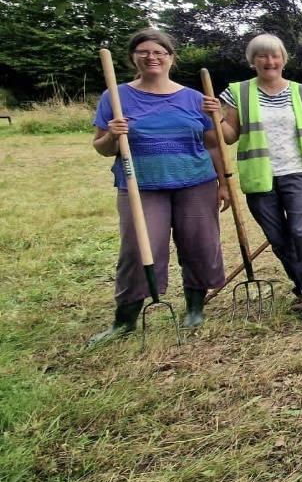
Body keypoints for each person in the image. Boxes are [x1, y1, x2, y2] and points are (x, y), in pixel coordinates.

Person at [89, 29, 228, 343]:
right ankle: (124, 319)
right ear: (133, 58)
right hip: (141, 186)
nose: (151, 57)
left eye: (159, 52)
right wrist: (112, 134)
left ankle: (195, 308)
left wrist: (224, 184)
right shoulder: (115, 96)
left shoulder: (194, 99)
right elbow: (101, 147)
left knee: (200, 244)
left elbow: (214, 144)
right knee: (139, 249)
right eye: (144, 52)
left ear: (170, 58)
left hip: (196, 181)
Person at [215, 34, 302, 328]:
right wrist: (214, 119)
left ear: (283, 59)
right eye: (262, 56)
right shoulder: (239, 93)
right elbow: (229, 137)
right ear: (253, 60)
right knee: (279, 240)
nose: (269, 61)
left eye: (275, 56)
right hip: (260, 176)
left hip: (297, 173)